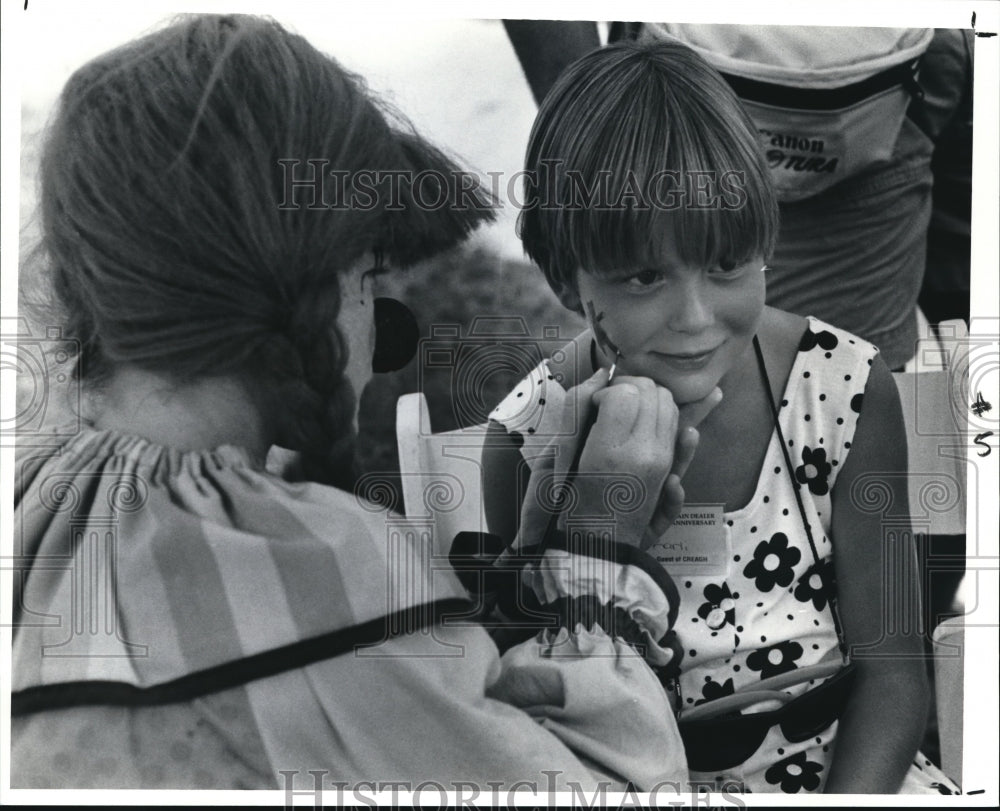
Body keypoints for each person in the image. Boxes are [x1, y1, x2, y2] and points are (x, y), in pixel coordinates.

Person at [10, 15, 690, 791]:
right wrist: (600, 555)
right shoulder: (308, 568)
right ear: (303, 280)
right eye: (368, 279)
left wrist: (527, 576)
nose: (381, 333)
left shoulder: (32, 512)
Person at [483, 40, 959, 794]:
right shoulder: (526, 438)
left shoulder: (845, 390)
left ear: (765, 243)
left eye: (726, 264)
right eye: (645, 275)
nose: (698, 318)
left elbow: (896, 677)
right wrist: (589, 524)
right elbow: (533, 699)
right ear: (565, 275)